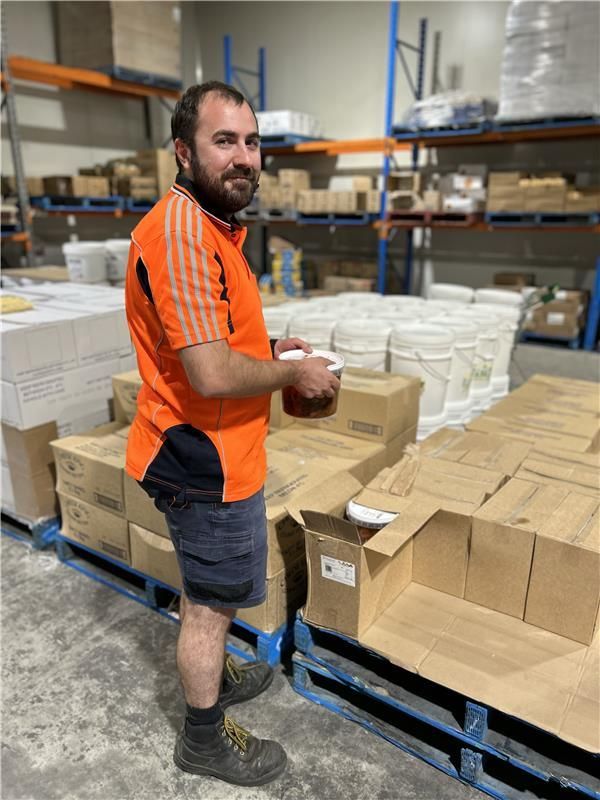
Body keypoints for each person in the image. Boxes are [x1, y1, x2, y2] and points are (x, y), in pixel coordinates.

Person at [124, 81, 340, 787]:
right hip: (201, 455)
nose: (244, 157)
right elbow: (212, 375)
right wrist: (292, 375)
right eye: (225, 141)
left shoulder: (212, 225)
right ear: (184, 152)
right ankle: (203, 739)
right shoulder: (184, 232)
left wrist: (277, 348)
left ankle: (211, 675)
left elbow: (219, 333)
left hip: (222, 447)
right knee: (213, 609)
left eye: (251, 142)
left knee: (205, 589)